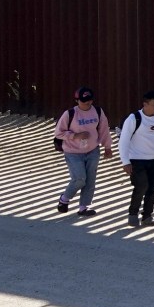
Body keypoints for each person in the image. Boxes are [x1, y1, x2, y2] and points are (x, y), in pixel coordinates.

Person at [117, 92, 154, 228]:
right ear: (145, 104)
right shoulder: (134, 118)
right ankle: (133, 214)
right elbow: (124, 141)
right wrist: (125, 161)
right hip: (137, 160)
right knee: (141, 186)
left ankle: (147, 216)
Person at [53, 88, 114, 216]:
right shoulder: (69, 114)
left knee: (90, 180)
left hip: (92, 151)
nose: (88, 102)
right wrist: (75, 136)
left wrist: (107, 147)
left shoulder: (98, 111)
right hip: (73, 152)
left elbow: (104, 130)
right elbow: (58, 133)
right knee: (80, 179)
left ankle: (83, 207)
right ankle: (64, 199)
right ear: (77, 100)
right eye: (84, 100)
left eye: (90, 99)